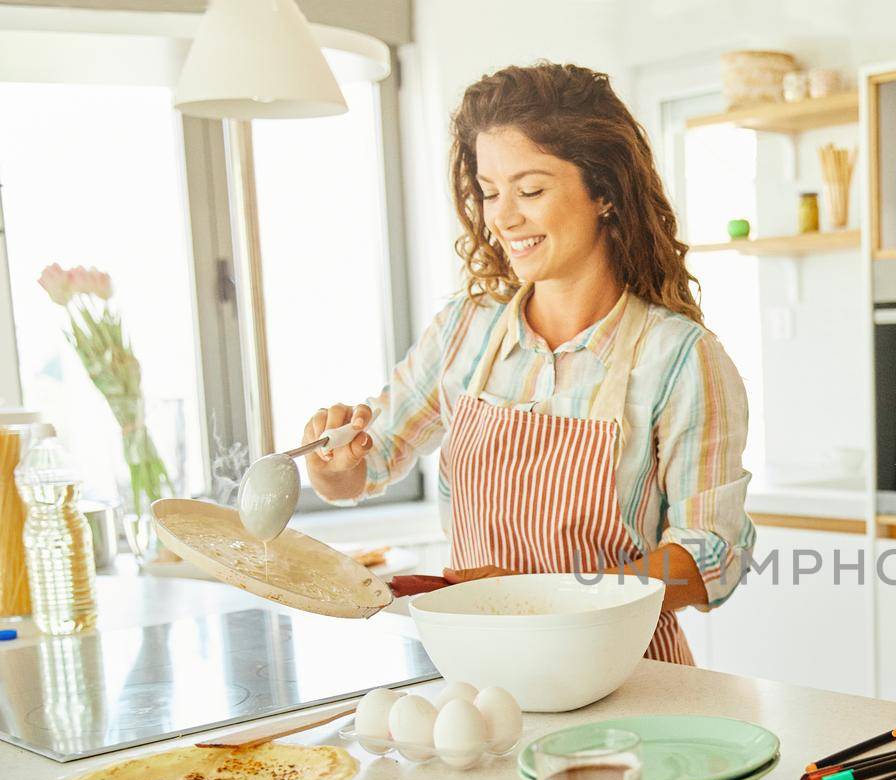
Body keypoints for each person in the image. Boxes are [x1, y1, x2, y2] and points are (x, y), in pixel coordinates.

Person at [303, 63, 756, 664]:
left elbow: (711, 555)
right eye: (490, 191)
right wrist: (332, 464)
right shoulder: (464, 330)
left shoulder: (678, 358)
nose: (503, 216)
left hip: (625, 678)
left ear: (604, 192)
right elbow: (370, 460)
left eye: (531, 190)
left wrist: (546, 601)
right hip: (480, 670)